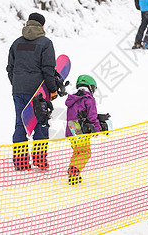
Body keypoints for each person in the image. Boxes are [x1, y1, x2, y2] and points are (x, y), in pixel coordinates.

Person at [6, 12, 58, 171]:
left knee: (21, 123)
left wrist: (17, 84)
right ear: (42, 25)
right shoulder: (45, 43)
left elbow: (10, 69)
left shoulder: (16, 43)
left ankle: (20, 162)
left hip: (19, 91)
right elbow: (48, 69)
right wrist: (53, 89)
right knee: (41, 123)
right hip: (38, 93)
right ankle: (40, 160)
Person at [65, 75, 101, 185]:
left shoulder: (73, 98)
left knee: (78, 151)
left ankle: (73, 172)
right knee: (86, 153)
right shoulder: (88, 98)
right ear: (90, 87)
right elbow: (92, 116)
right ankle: (74, 171)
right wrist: (97, 128)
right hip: (80, 128)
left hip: (71, 128)